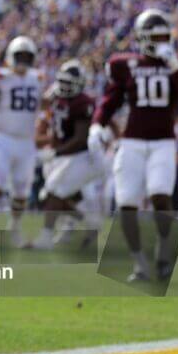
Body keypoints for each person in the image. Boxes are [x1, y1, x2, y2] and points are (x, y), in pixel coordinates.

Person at [91, 9, 178, 281]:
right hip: (132, 142)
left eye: (166, 35)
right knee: (126, 202)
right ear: (142, 38)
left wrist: (174, 65)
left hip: (163, 141)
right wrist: (97, 123)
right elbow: (111, 100)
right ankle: (139, 263)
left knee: (160, 195)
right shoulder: (125, 64)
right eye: (157, 36)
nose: (163, 41)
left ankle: (164, 254)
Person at [0, 37, 46, 247]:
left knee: (21, 192)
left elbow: (44, 106)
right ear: (10, 57)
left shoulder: (38, 78)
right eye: (19, 56)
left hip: (26, 141)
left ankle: (14, 231)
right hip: (1, 137)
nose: (22, 60)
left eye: (26, 56)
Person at [32, 60, 105, 248]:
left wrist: (54, 153)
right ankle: (90, 223)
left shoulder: (83, 103)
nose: (64, 87)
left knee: (53, 191)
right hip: (68, 155)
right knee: (62, 196)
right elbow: (42, 108)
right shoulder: (56, 96)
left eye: (68, 83)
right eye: (62, 82)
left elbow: (80, 139)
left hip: (83, 156)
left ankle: (46, 237)